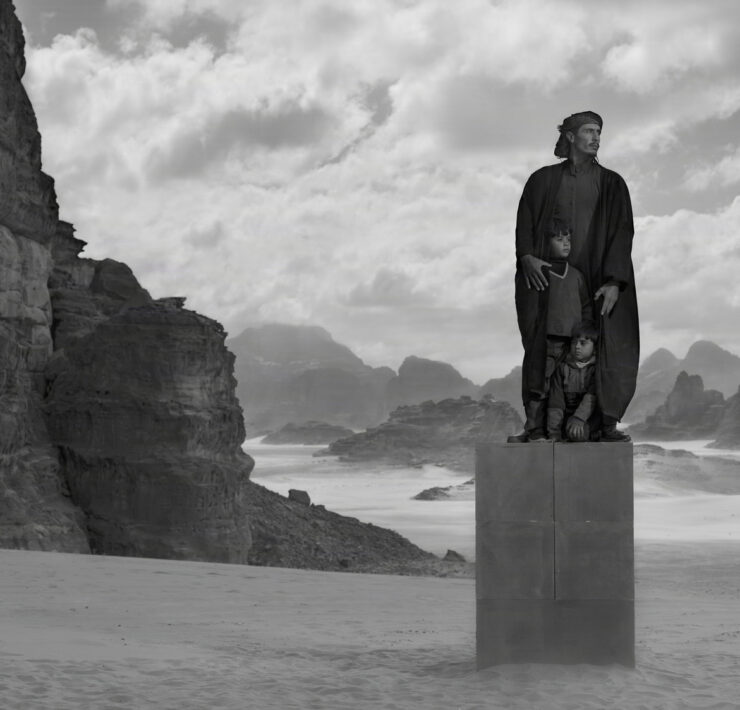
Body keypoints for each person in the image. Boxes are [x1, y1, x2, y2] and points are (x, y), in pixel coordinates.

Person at [513, 110, 638, 443]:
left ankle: (603, 424)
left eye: (599, 132)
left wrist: (614, 281)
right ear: (570, 136)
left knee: (608, 347)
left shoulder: (612, 183)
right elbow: (525, 220)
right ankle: (537, 427)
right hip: (549, 278)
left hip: (598, 278)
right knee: (542, 351)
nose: (596, 137)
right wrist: (527, 256)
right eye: (589, 131)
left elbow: (622, 232)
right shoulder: (541, 180)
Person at [517, 218, 593, 440]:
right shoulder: (539, 272)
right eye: (559, 239)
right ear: (546, 243)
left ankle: (559, 432)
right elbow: (528, 310)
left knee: (565, 389)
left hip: (572, 344)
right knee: (539, 387)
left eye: (568, 238)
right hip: (546, 342)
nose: (566, 243)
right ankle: (534, 430)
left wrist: (585, 335)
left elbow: (586, 308)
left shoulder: (577, 276)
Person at [547, 322, 600, 442]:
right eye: (574, 342)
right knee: (571, 433)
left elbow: (592, 396)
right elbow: (556, 403)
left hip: (588, 417)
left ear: (594, 348)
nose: (577, 347)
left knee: (578, 434)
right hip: (567, 418)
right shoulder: (562, 368)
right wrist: (554, 433)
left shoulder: (596, 370)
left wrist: (579, 418)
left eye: (583, 343)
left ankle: (594, 433)